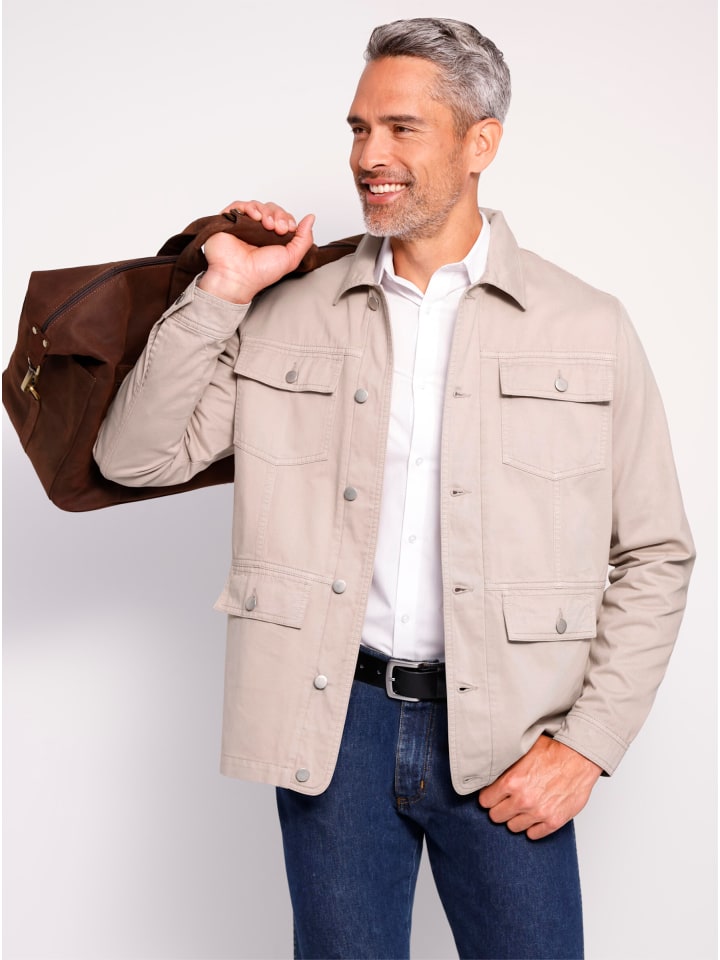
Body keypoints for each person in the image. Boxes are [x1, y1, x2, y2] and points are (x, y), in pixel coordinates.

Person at [93, 17, 694, 960]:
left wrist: (587, 744)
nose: (369, 155)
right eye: (358, 128)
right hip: (336, 727)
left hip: (509, 734)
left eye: (402, 128)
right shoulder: (288, 313)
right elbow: (135, 458)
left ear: (480, 142)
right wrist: (222, 293)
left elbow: (655, 553)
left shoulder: (586, 325)